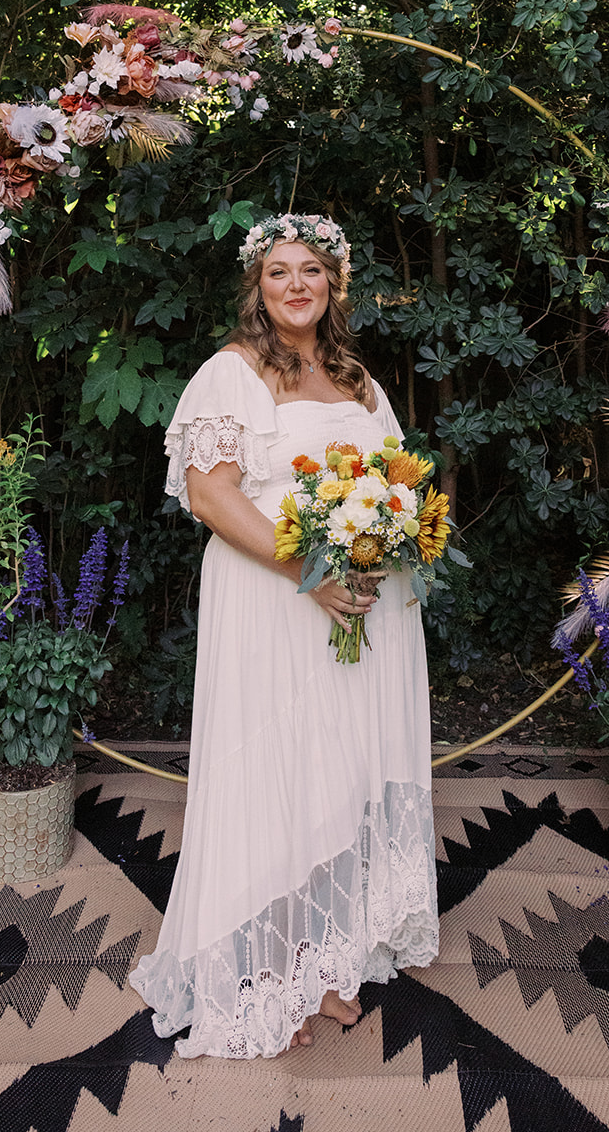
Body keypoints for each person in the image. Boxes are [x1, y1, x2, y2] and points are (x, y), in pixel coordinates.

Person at [129, 213, 438, 1058]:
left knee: (342, 770)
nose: (296, 284)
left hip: (366, 607)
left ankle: (329, 950)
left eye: (311, 269)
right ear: (256, 287)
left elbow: (395, 481)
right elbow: (211, 495)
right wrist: (313, 571)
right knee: (277, 771)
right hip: (277, 600)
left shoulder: (357, 378)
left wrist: (388, 544)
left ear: (333, 283)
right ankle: (264, 971)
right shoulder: (231, 374)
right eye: (278, 272)